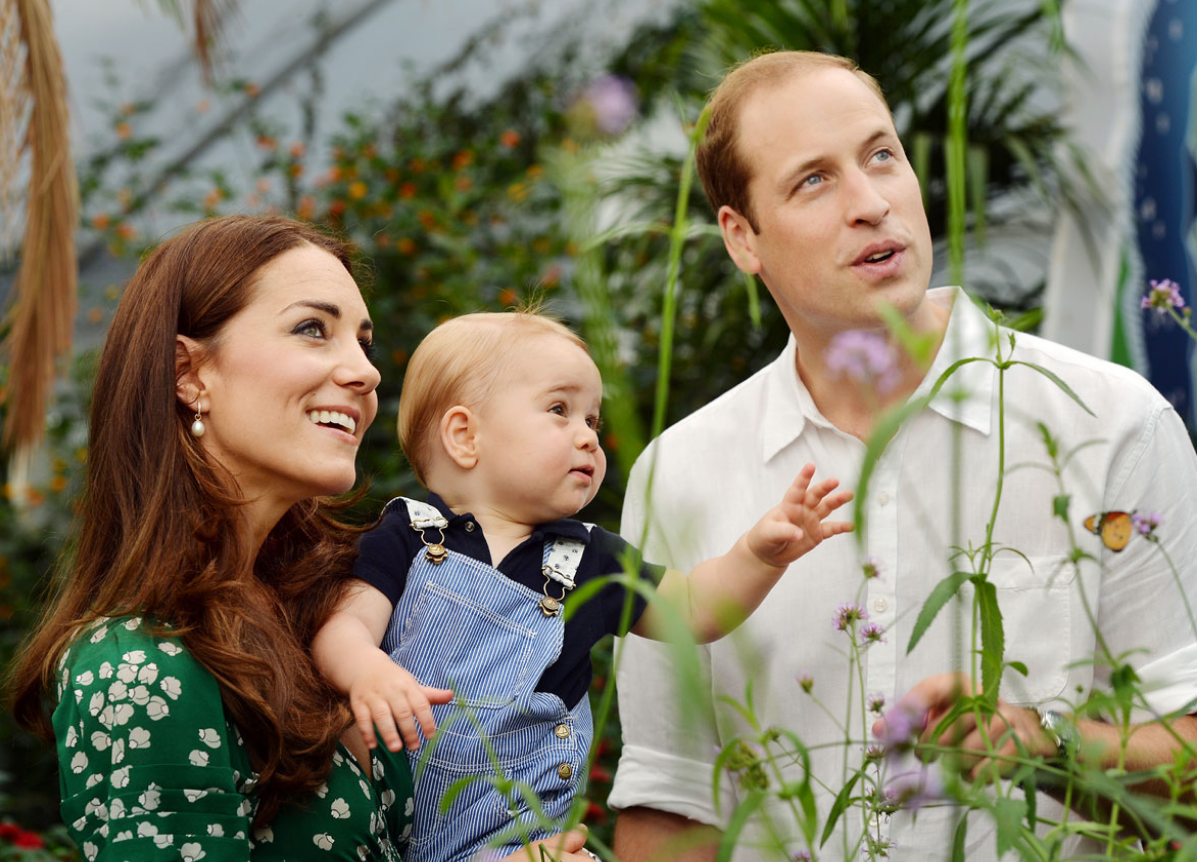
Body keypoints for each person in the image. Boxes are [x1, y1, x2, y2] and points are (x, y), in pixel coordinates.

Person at [607, 51, 1197, 862]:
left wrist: (1041, 744)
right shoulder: (678, 473)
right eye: (813, 180)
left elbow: (1191, 771)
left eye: (880, 155)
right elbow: (670, 804)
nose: (870, 202)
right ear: (742, 238)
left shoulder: (1108, 420)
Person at [8, 216, 594, 862]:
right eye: (312, 329)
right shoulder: (140, 666)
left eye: (364, 343)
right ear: (189, 374)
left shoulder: (338, 615)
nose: (366, 373)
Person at [308, 310, 855, 862]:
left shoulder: (589, 557)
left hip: (512, 842)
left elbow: (694, 608)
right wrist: (368, 671)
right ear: (464, 436)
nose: (588, 438)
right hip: (380, 830)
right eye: (559, 410)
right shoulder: (407, 534)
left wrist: (757, 555)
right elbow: (344, 627)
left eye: (592, 421)